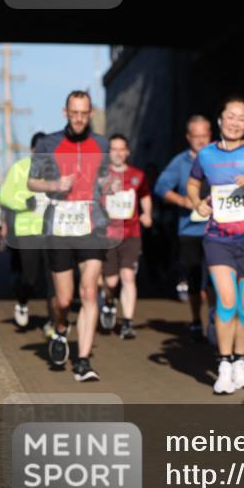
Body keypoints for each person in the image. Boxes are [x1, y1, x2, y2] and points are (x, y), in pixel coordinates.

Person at [187, 96, 244, 394]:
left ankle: (241, 360)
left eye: (241, 117)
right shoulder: (206, 155)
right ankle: (224, 363)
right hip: (219, 238)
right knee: (226, 302)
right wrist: (196, 203)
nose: (235, 122)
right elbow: (193, 184)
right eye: (230, 116)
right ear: (220, 120)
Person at [28, 90, 109, 382]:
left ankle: (83, 361)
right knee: (64, 300)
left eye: (84, 113)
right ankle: (61, 329)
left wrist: (106, 186)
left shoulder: (101, 143)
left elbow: (105, 177)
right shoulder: (49, 143)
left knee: (89, 291)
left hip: (92, 226)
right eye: (73, 113)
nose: (78, 118)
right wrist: (56, 183)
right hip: (60, 225)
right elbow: (32, 181)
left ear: (90, 113)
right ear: (65, 112)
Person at [154, 115, 213, 341]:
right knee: (195, 277)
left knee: (217, 278)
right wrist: (182, 201)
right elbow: (161, 187)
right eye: (195, 136)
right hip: (190, 229)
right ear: (188, 138)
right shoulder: (180, 162)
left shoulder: (219, 158)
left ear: (210, 135)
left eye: (204, 136)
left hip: (218, 230)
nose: (200, 141)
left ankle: (216, 319)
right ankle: (197, 319)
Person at [99, 134, 152, 339]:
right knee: (111, 281)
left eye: (122, 149)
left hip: (131, 233)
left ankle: (127, 322)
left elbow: (145, 195)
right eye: (114, 149)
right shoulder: (101, 176)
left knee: (128, 276)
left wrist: (146, 213)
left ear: (128, 152)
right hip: (108, 235)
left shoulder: (137, 175)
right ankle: (109, 301)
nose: (118, 153)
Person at [0, 132, 52, 329]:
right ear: (32, 150)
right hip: (27, 231)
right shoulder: (19, 169)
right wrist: (23, 202)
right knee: (31, 279)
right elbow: (4, 196)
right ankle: (22, 303)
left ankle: (53, 321)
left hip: (52, 232)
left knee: (54, 279)